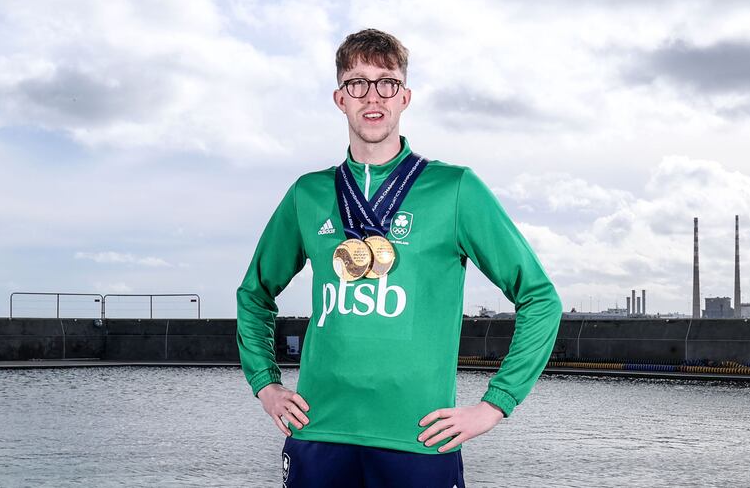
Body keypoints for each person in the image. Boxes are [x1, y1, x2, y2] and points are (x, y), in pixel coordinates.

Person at [237, 28, 562, 488]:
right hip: (319, 432)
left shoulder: (455, 189)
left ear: (405, 96)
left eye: (386, 82)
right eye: (357, 82)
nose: (373, 96)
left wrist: (495, 405)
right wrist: (266, 385)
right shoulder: (307, 194)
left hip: (419, 438)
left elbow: (540, 297)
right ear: (339, 98)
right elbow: (254, 294)